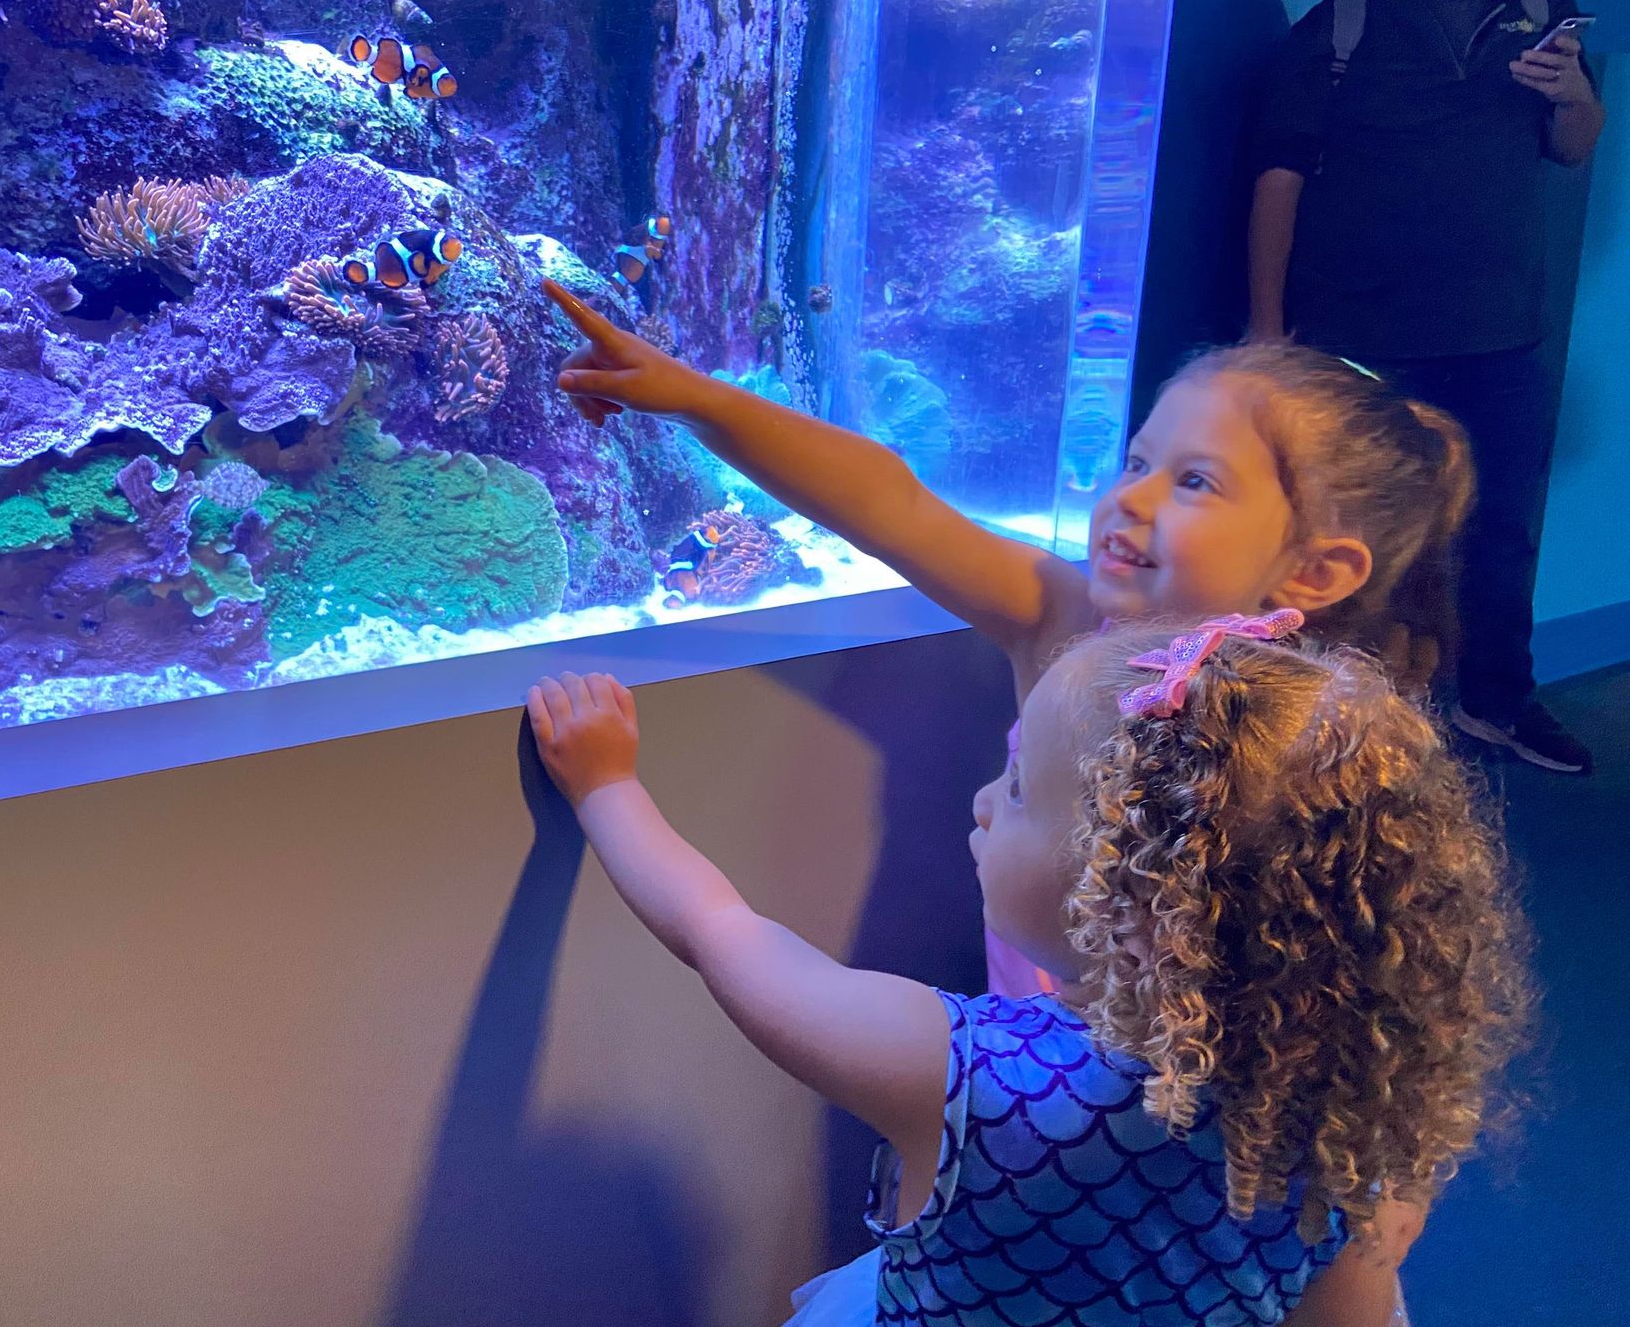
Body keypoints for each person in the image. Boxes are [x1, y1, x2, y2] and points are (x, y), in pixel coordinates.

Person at [526, 613, 1530, 1325]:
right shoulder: (1347, 1134)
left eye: (1013, 785)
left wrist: (607, 786)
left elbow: (723, 936)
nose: (980, 801)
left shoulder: (965, 1075)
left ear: (1127, 899)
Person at [545, 280, 1471, 997]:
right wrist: (693, 399)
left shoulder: (1313, 743)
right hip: (1018, 1067)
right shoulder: (1067, 623)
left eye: (1195, 483)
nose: (1130, 497)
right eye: (1138, 460)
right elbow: (892, 503)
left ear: (1314, 571)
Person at [1247, 0, 1606, 773]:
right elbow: (1279, 176)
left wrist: (1572, 92)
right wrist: (1267, 330)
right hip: (1360, 339)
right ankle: (1309, 723)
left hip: (1499, 338)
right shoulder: (1342, 25)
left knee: (1501, 534)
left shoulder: (1543, 9)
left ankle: (1494, 704)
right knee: (1344, 538)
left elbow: (1575, 146)